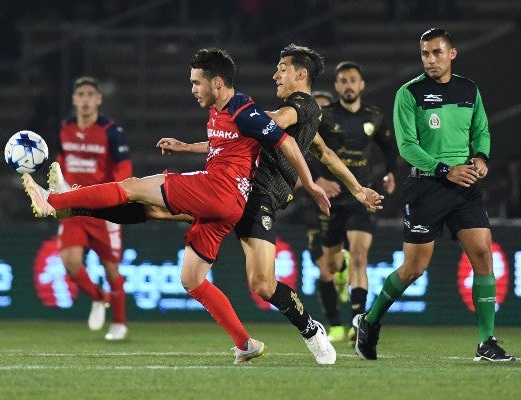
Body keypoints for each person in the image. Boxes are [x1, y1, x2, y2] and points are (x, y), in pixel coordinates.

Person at [47, 44, 384, 365]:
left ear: (300, 74)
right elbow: (313, 150)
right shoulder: (287, 117)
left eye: (282, 69)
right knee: (158, 219)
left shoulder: (300, 106)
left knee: (262, 284)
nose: (275, 75)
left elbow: (270, 127)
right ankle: (72, 203)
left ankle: (310, 329)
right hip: (232, 192)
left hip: (258, 199)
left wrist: (313, 184)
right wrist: (357, 188)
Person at [353, 28, 516, 362]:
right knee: (413, 268)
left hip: (465, 186)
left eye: (437, 52)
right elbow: (407, 147)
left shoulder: (469, 89)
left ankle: (486, 341)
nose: (430, 59)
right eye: (425, 54)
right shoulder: (409, 93)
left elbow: (481, 130)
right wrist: (444, 169)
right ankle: (369, 321)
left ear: (452, 54)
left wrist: (481, 158)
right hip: (426, 187)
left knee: (483, 254)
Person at [308, 61, 398, 344]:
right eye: (343, 81)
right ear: (337, 86)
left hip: (362, 194)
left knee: (360, 257)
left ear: (361, 84)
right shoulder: (324, 116)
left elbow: (389, 147)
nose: (348, 85)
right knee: (333, 265)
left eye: (353, 80)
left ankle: (358, 321)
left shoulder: (374, 116)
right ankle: (341, 267)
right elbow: (302, 147)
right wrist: (318, 180)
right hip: (333, 198)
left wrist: (390, 172)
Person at [52, 76, 133, 341]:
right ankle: (99, 297)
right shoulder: (64, 128)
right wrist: (59, 187)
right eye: (81, 95)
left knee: (111, 269)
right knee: (70, 263)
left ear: (98, 99)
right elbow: (61, 159)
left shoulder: (111, 131)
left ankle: (119, 323)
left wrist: (118, 197)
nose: (85, 99)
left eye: (90, 94)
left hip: (103, 209)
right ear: (74, 100)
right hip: (74, 207)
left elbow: (123, 167)